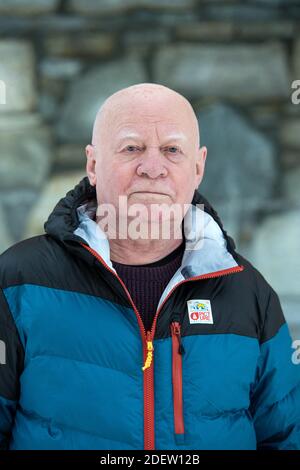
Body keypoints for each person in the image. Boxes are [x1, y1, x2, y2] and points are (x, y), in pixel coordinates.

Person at [0, 83, 299, 450]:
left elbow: (287, 437)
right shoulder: (18, 281)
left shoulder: (248, 292)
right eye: (132, 148)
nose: (153, 168)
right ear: (93, 165)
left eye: (172, 150)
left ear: (198, 167)